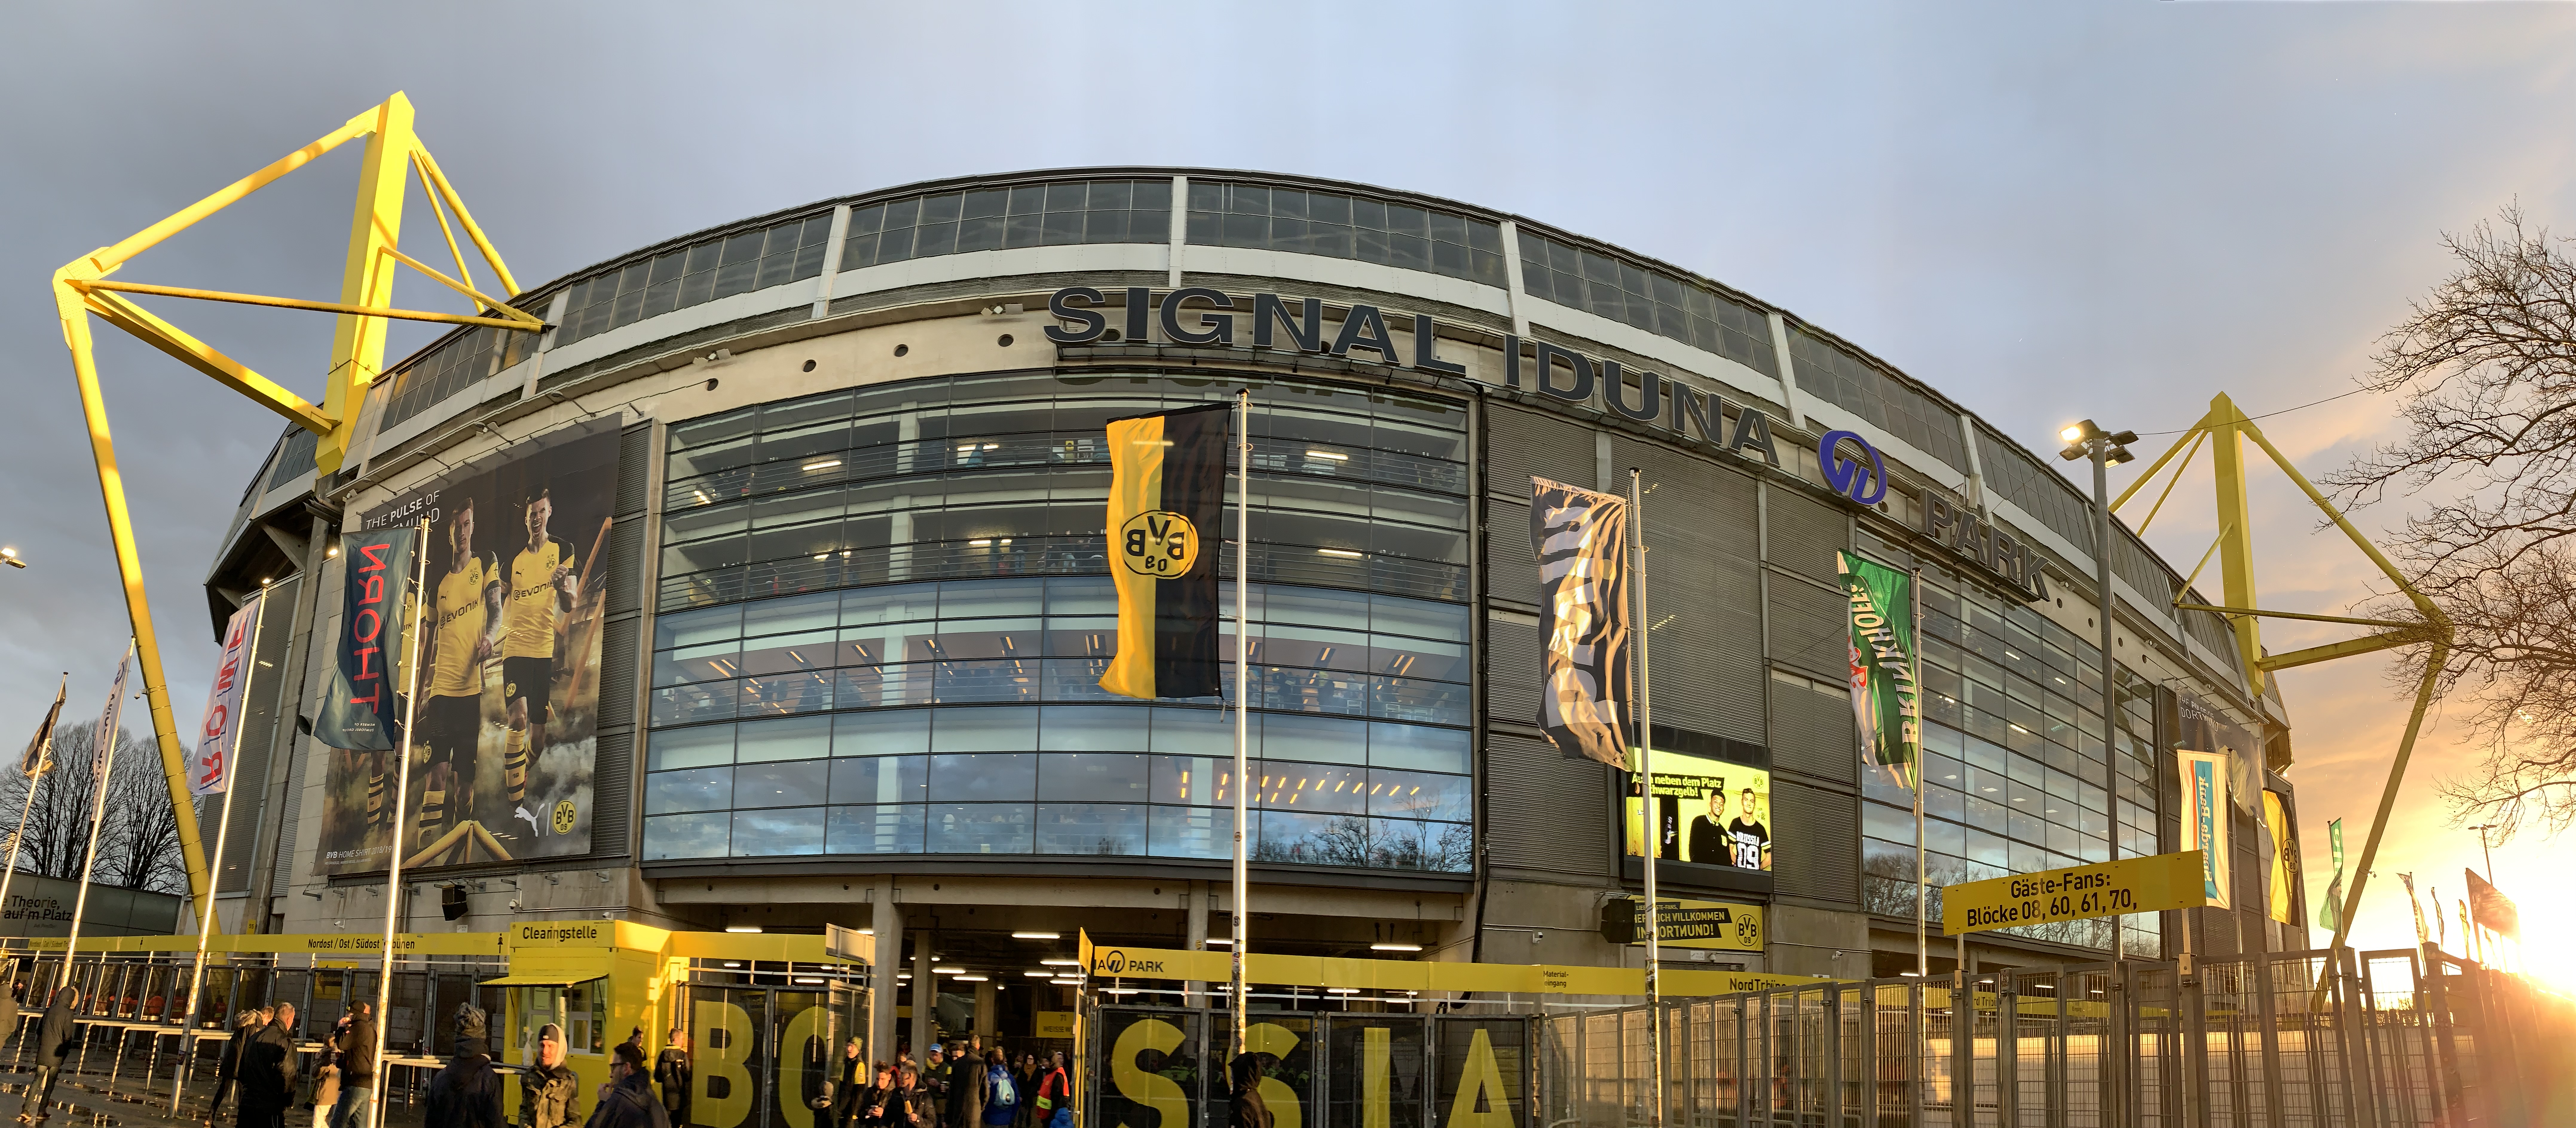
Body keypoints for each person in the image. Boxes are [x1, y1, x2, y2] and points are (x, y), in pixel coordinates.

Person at [418, 498, 504, 846]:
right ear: (449, 532)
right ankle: (427, 853)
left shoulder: (486, 562)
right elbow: (427, 645)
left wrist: (490, 638)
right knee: (436, 775)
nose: (463, 532)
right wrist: (420, 691)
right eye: (457, 526)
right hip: (441, 696)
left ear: (473, 527)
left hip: (470, 696)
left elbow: (496, 611)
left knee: (464, 788)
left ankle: (455, 848)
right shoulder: (437, 585)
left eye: (468, 524)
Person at [501, 487, 581, 817]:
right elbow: (498, 604)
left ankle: (518, 773)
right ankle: (513, 806)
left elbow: (571, 603)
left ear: (550, 513)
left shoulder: (563, 550)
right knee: (517, 718)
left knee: (537, 740)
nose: (536, 518)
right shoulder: (513, 561)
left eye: (541, 512)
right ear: (526, 518)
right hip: (515, 650)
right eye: (531, 514)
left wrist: (561, 587)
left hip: (542, 653)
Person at [426, 1004, 503, 1128]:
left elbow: (430, 1122)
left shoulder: (440, 1078)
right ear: (482, 1037)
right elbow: (496, 1122)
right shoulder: (488, 1078)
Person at [18, 986, 78, 1124]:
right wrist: (66, 1051)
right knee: (50, 1083)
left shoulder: (49, 1010)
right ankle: (42, 1111)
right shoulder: (68, 1014)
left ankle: (26, 1109)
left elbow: (39, 1030)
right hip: (57, 1053)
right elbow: (68, 1036)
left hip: (44, 1050)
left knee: (37, 1080)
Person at [237, 1002, 300, 1128]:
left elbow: (243, 1067)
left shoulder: (255, 1037)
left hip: (248, 1101)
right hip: (270, 1105)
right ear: (289, 1020)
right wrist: (287, 1100)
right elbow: (287, 1074)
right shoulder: (285, 1042)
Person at [582, 1042, 670, 1128]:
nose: (611, 1075)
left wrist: (603, 1103)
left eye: (613, 1067)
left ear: (626, 1068)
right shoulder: (657, 1105)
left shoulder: (619, 1102)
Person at [208, 1008, 262, 1126]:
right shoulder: (255, 1025)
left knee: (223, 1089)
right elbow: (251, 1046)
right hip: (242, 1062)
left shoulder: (242, 1024)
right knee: (243, 1093)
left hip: (232, 1059)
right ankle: (242, 1122)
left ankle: (210, 1117)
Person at [524, 1023, 584, 1128]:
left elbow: (576, 1122)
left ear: (560, 1049)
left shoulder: (568, 1082)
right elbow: (524, 1110)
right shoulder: (531, 1076)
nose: (545, 1051)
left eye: (551, 1046)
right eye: (542, 1045)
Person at [331, 1002, 377, 1128]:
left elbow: (342, 1044)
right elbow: (358, 1055)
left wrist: (341, 1028)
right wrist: (342, 1062)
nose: (347, 1016)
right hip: (365, 1084)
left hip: (355, 1083)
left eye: (349, 1013)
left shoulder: (359, 1027)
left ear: (354, 1014)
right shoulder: (369, 1028)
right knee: (359, 1124)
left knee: (339, 1122)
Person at [653, 1028, 691, 1127]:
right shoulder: (682, 1055)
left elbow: (657, 1077)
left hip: (667, 1097)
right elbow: (687, 1075)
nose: (683, 1042)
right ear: (676, 1040)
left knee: (667, 1123)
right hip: (680, 1097)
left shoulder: (663, 1055)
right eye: (682, 1039)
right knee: (677, 1123)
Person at [1726, 786, 1771, 870]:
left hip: (1754, 876)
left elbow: (1770, 857)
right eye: (1746, 800)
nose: (1749, 804)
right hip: (1739, 874)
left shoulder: (1760, 829)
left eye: (1752, 801)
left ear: (1755, 805)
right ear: (1742, 802)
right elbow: (1728, 849)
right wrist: (1739, 864)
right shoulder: (1736, 823)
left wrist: (1758, 869)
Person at [1227, 1055, 1271, 1128]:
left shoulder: (1244, 1104)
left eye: (1234, 1073)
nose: (1232, 1077)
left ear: (1240, 1075)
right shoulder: (1255, 1097)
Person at [1685, 787, 1726, 864]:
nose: (1719, 806)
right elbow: (1693, 850)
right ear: (1711, 804)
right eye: (1716, 802)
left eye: (1722, 804)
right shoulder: (1699, 822)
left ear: (1723, 809)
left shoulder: (1723, 832)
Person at [979, 1050, 1016, 1128]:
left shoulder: (988, 1077)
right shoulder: (1010, 1078)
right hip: (1007, 1119)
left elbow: (984, 1097)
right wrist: (1011, 1117)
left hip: (991, 1119)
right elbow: (1017, 1100)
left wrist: (985, 1116)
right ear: (1004, 1060)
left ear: (992, 1060)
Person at [1032, 1055, 1071, 1128]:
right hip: (1047, 1114)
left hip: (1053, 1114)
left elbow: (1057, 1096)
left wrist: (1054, 1113)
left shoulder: (1057, 1075)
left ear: (1052, 1063)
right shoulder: (1050, 1074)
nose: (1044, 1064)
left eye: (1047, 1062)